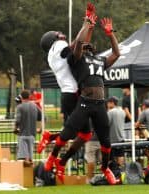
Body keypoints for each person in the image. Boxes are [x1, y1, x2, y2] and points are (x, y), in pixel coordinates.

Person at [44, 12, 120, 184]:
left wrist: (110, 34)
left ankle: (105, 168)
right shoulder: (77, 60)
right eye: (85, 46)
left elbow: (116, 53)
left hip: (100, 104)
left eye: (89, 45)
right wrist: (87, 24)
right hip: (85, 102)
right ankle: (53, 157)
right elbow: (78, 43)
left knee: (106, 143)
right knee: (68, 132)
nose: (88, 45)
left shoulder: (100, 60)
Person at [37, 3, 97, 154]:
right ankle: (52, 148)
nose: (61, 35)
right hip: (73, 93)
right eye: (57, 35)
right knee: (79, 132)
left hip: (69, 93)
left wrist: (89, 26)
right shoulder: (57, 47)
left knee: (82, 132)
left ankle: (50, 138)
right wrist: (87, 21)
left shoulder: (55, 54)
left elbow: (81, 44)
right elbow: (77, 43)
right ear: (53, 41)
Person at [14, 90, 39, 165]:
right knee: (30, 157)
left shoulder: (19, 107)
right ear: (29, 97)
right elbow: (41, 117)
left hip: (23, 134)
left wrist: (15, 128)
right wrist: (39, 128)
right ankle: (31, 173)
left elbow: (18, 120)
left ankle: (24, 173)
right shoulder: (35, 106)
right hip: (32, 134)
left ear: (21, 97)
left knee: (23, 158)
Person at [107, 96, 125, 168]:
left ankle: (113, 172)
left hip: (112, 139)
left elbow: (106, 124)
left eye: (108, 103)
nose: (107, 104)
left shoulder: (110, 112)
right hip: (121, 138)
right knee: (120, 155)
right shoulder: (122, 111)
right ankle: (120, 170)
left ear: (112, 103)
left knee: (110, 158)